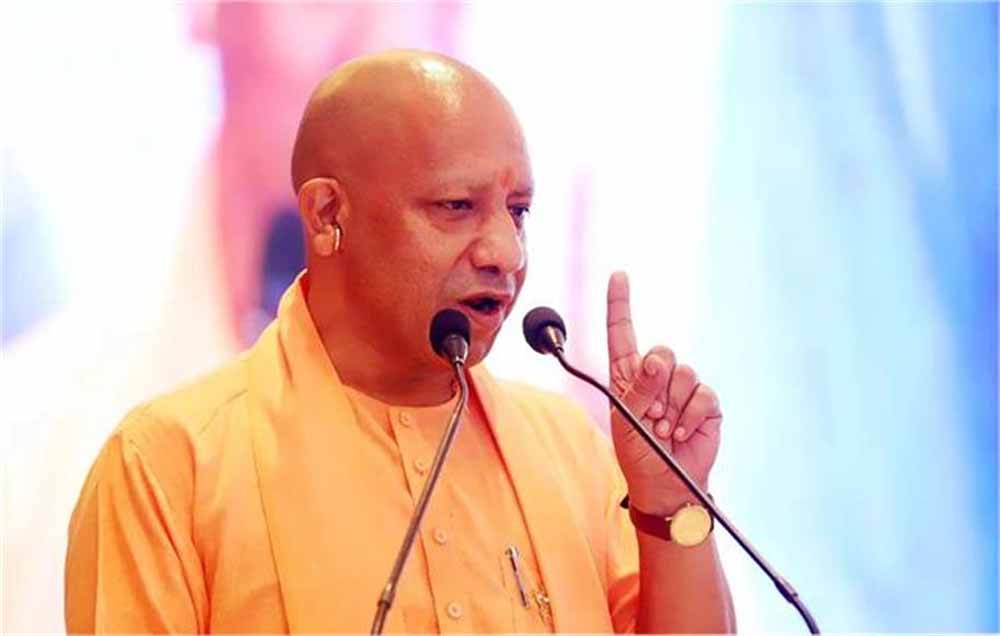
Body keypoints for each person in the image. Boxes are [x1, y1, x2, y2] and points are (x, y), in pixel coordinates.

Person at [65, 50, 735, 633]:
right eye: (456, 207)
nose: (506, 252)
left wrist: (669, 505)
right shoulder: (171, 465)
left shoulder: (568, 450)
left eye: (518, 212)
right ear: (329, 215)